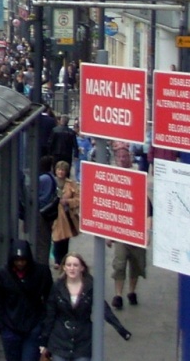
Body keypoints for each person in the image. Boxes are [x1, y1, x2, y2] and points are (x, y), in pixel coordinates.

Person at [40, 252, 131, 360]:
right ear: (64, 267)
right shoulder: (57, 287)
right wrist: (44, 342)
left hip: (83, 341)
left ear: (82, 268)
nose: (72, 268)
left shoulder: (90, 287)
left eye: (75, 265)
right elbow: (50, 315)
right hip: (60, 340)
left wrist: (122, 330)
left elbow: (104, 310)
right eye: (69, 265)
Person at [0, 239, 53, 361]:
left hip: (34, 326)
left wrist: (44, 325)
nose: (20, 263)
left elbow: (49, 299)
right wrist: (1, 327)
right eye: (17, 260)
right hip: (10, 327)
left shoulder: (41, 272)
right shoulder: (1, 275)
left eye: (23, 260)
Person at [109, 143, 151, 309]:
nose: (122, 159)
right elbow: (110, 207)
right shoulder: (112, 178)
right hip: (120, 231)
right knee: (119, 264)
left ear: (130, 158)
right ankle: (118, 296)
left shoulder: (138, 177)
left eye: (125, 156)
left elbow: (147, 207)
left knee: (136, 264)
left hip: (137, 229)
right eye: (119, 157)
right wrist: (109, 233)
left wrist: (147, 231)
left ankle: (131, 292)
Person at [50, 160, 80, 270]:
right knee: (57, 237)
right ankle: (58, 260)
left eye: (63, 170)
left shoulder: (71, 184)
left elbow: (78, 199)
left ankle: (63, 259)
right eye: (59, 169)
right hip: (54, 214)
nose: (61, 172)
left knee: (65, 239)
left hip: (67, 216)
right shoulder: (51, 181)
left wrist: (68, 202)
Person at [35, 155, 56, 265]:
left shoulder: (43, 179)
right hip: (49, 212)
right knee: (45, 240)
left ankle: (42, 264)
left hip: (42, 212)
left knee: (42, 242)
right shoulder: (51, 177)